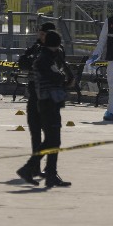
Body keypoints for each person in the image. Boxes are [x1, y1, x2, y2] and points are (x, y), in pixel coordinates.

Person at [30, 30, 74, 187]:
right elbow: (55, 76)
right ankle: (32, 169)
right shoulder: (44, 58)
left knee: (52, 140)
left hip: (49, 102)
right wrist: (64, 78)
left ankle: (48, 172)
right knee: (52, 140)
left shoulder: (50, 56)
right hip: (48, 102)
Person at [16, 21, 58, 183]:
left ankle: (49, 169)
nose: (39, 36)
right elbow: (23, 63)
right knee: (35, 134)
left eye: (42, 34)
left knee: (51, 136)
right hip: (34, 94)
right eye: (39, 33)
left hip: (48, 97)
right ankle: (35, 167)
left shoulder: (55, 50)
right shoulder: (35, 47)